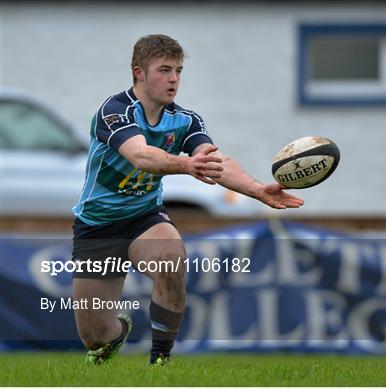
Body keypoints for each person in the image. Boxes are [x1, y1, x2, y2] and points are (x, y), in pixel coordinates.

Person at [71, 34, 304, 366]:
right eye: (164, 70)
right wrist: (185, 164)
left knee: (170, 257)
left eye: (179, 71)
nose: (174, 79)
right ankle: (114, 336)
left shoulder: (186, 120)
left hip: (143, 217)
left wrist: (256, 188)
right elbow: (140, 155)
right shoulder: (115, 111)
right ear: (139, 73)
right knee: (94, 334)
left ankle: (160, 362)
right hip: (97, 226)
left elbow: (214, 160)